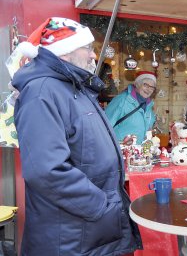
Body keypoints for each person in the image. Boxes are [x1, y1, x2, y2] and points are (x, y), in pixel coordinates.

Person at [11, 17, 142, 256]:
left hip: (87, 234)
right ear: (64, 53)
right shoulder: (42, 92)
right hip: (70, 238)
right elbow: (46, 171)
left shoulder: (74, 88)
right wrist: (102, 206)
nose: (94, 56)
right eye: (88, 48)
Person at [105, 71, 157, 144]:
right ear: (137, 84)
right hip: (119, 151)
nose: (149, 89)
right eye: (145, 85)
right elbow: (104, 127)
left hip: (139, 152)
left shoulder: (149, 107)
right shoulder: (121, 100)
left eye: (152, 87)